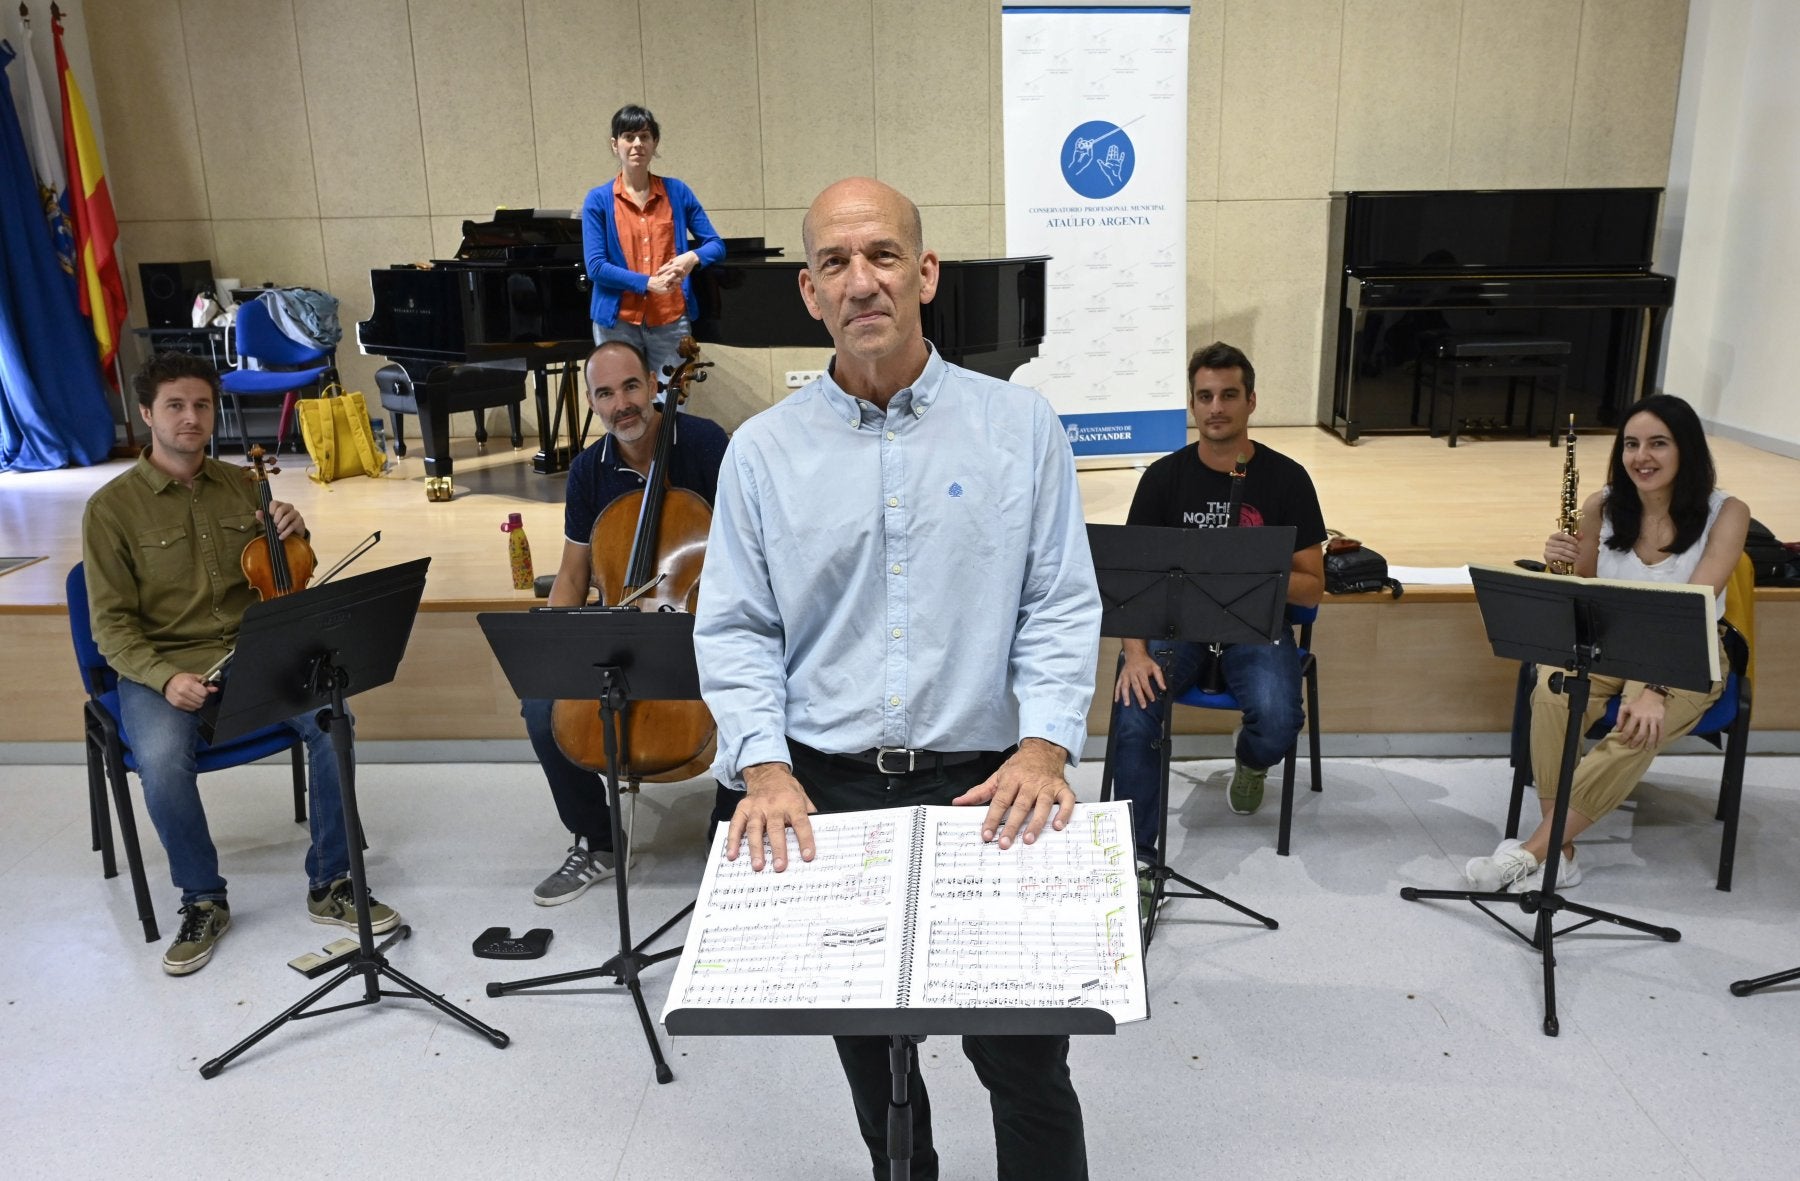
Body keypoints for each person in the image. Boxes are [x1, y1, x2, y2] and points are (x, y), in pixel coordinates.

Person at [693, 177, 1101, 1181]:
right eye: (835, 261)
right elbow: (737, 624)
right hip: (823, 790)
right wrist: (763, 764)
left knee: (1026, 1060)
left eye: (881, 255)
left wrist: (1046, 743)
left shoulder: (1021, 428)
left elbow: (1057, 601)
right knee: (874, 1065)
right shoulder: (761, 453)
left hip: (990, 782)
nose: (861, 279)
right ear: (809, 292)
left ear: (925, 274)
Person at [81, 352, 399, 976]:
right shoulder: (111, 510)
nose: (191, 417)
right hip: (163, 666)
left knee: (335, 719)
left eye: (202, 404)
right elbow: (110, 627)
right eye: (175, 405)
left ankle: (330, 881)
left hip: (253, 653)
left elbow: (284, 578)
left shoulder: (244, 486)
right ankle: (203, 898)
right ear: (147, 414)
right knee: (165, 764)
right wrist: (165, 678)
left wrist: (296, 532)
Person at [1465, 393, 1750, 892]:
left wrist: (1656, 689)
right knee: (1550, 688)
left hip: (1684, 648)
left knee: (1638, 723)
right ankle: (1562, 851)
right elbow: (1581, 587)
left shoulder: (1726, 514)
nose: (1642, 457)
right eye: (1632, 444)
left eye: (1658, 444)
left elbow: (1698, 605)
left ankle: (1534, 853)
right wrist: (1560, 558)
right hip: (1608, 638)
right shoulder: (1602, 505)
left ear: (1687, 450)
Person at [520, 340, 730, 904]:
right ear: (591, 402)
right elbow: (572, 575)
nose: (622, 405)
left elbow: (752, 552)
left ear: (655, 386)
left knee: (755, 687)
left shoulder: (706, 445)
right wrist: (549, 653)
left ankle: (730, 828)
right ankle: (597, 838)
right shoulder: (591, 469)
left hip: (701, 626)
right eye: (605, 394)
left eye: (631, 387)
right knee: (541, 709)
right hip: (620, 631)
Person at [1107, 342, 1326, 865]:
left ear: (1251, 401)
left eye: (1229, 395)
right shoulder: (1163, 478)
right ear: (1192, 405)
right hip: (1174, 627)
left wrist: (1252, 569)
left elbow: (1313, 587)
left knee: (1276, 721)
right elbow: (1132, 583)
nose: (1216, 408)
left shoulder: (1287, 479)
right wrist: (1135, 654)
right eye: (1204, 396)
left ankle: (1250, 762)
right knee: (1137, 715)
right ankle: (1136, 859)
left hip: (1255, 625)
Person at [580, 104, 725, 391]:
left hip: (670, 317)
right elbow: (596, 266)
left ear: (654, 142)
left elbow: (716, 246)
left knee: (670, 403)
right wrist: (648, 283)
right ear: (615, 144)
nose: (637, 144)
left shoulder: (677, 191)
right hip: (616, 322)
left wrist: (691, 258)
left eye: (644, 137)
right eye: (629, 136)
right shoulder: (598, 200)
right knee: (623, 403)